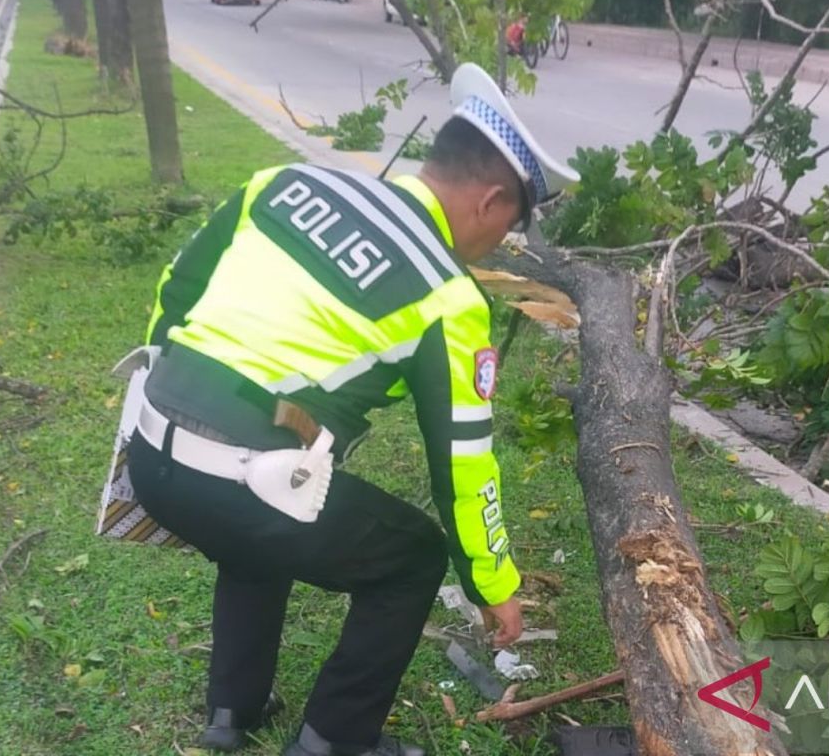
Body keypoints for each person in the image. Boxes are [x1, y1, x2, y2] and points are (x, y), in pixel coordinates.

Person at [125, 63, 579, 756]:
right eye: (508, 227)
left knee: (266, 513)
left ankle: (233, 709)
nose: (498, 244)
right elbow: (463, 461)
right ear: (490, 201)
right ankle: (335, 741)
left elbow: (177, 287)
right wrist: (494, 583)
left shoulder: (282, 184)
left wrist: (175, 392)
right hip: (235, 480)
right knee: (412, 555)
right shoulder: (448, 298)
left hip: (149, 450)